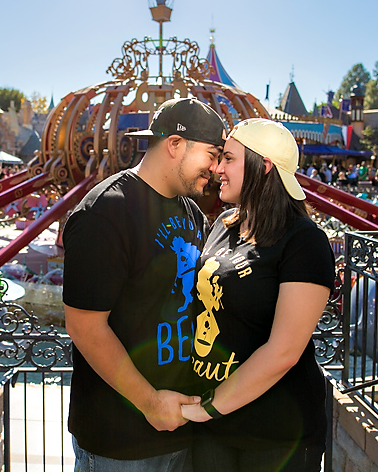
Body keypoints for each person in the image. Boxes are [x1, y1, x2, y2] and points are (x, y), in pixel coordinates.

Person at [63, 97, 227, 471]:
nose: (216, 168)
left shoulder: (191, 212)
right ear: (174, 145)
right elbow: (85, 328)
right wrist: (151, 403)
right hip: (120, 443)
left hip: (182, 432)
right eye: (212, 154)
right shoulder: (105, 212)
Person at [181, 118, 335, 471]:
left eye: (229, 159)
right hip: (213, 428)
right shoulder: (223, 224)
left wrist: (207, 407)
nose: (218, 168)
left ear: (263, 166)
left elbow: (284, 351)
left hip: (275, 435)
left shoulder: (303, 241)